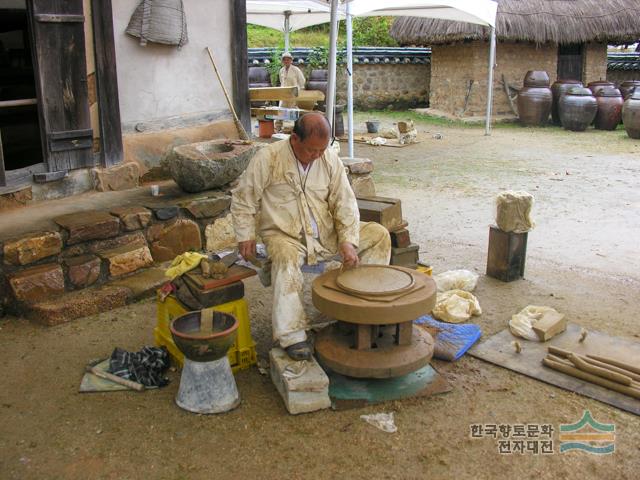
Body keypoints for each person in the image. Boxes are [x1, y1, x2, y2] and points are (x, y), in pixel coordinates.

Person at [231, 113, 391, 361]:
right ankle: (292, 335)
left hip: (326, 235)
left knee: (379, 235)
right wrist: (245, 235)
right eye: (311, 150)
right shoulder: (268, 158)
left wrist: (348, 240)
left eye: (322, 150)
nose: (317, 156)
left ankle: (359, 312)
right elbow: (244, 199)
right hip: (285, 236)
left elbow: (344, 203)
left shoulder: (329, 159)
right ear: (294, 138)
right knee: (284, 258)